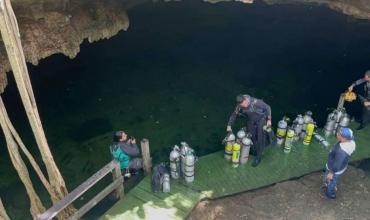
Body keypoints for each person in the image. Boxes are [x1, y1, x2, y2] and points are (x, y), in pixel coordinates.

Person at [227, 94, 272, 167]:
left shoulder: (255, 102)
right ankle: (255, 150)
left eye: (243, 103)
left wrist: (269, 120)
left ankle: (259, 157)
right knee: (252, 136)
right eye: (241, 104)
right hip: (251, 120)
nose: (243, 105)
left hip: (261, 120)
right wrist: (229, 125)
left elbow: (267, 107)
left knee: (260, 138)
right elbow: (234, 115)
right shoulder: (239, 106)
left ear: (245, 99)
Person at [321, 127, 356, 199]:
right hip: (341, 167)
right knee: (330, 179)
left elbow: (337, 165)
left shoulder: (341, 152)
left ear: (344, 138)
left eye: (339, 134)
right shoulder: (351, 142)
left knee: (331, 181)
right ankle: (328, 184)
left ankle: (330, 195)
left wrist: (331, 173)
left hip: (334, 169)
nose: (337, 134)